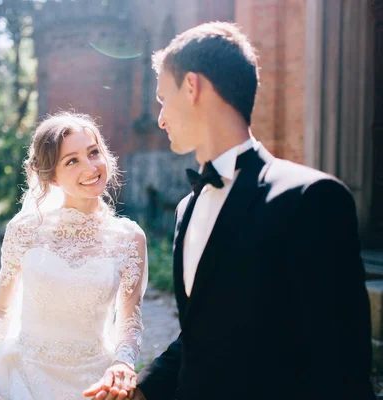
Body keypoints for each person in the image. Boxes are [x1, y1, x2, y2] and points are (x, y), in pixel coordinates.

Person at [99, 21, 374, 400]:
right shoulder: (186, 209)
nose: (160, 118)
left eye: (163, 98)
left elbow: (342, 365)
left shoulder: (312, 199)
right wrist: (140, 392)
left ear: (192, 87)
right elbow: (200, 337)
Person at [0, 112, 148, 400]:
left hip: (93, 384)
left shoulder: (129, 238)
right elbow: (1, 311)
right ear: (52, 175)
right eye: (72, 160)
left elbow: (130, 322)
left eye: (94, 153)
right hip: (22, 377)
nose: (91, 167)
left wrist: (122, 362)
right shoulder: (24, 230)